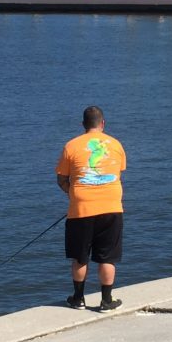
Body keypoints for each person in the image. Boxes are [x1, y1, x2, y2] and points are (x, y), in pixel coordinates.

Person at [56, 105, 127, 310]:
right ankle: (106, 300)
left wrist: (74, 194)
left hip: (81, 210)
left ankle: (78, 299)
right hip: (112, 207)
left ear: (83, 125)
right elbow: (119, 171)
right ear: (103, 124)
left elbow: (61, 178)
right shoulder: (115, 144)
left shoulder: (71, 146)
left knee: (80, 256)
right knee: (108, 257)